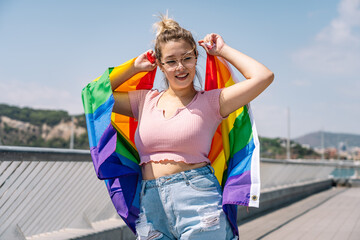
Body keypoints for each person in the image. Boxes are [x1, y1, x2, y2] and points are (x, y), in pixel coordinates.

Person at [108, 15, 273, 240]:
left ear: (197, 57)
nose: (180, 67)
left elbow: (264, 76)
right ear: (160, 64)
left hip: (198, 200)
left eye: (187, 58)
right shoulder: (144, 101)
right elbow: (95, 97)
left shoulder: (213, 101)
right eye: (171, 61)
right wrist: (133, 67)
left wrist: (223, 50)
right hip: (151, 206)